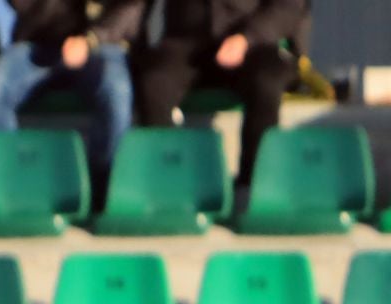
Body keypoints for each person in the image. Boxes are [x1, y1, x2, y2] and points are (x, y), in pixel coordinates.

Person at [130, 1, 306, 191]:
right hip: (187, 43)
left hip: (253, 45)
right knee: (154, 81)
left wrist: (247, 38)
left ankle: (253, 187)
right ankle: (168, 183)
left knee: (266, 82)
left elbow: (289, 6)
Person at [0, 0, 140, 210]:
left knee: (115, 91)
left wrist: (90, 39)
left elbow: (130, 8)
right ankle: (9, 187)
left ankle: (105, 194)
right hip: (41, 43)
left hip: (103, 45)